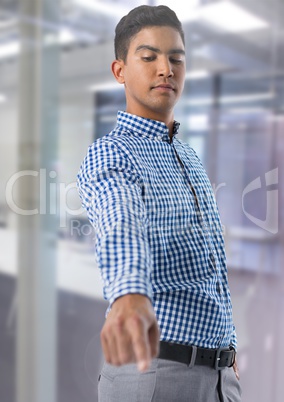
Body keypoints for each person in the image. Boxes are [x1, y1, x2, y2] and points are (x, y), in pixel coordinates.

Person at [77, 5, 241, 402]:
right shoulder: (112, 153)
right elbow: (121, 222)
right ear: (120, 71)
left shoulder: (190, 157)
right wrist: (129, 295)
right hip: (156, 376)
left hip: (220, 377)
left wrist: (228, 343)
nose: (165, 68)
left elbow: (210, 266)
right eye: (148, 57)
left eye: (175, 58)